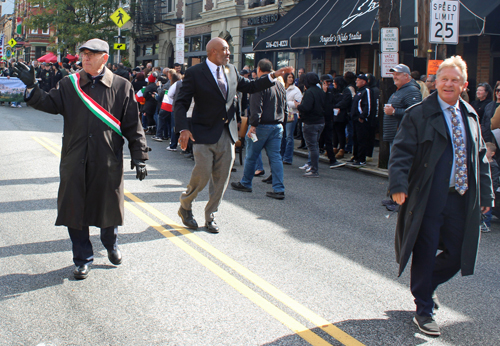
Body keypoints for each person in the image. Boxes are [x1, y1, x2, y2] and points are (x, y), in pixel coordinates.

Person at [13, 38, 149, 280]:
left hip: (107, 159)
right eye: (83, 53)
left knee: (108, 206)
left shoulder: (121, 85)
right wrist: (33, 87)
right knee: (74, 209)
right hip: (75, 158)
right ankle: (82, 258)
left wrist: (140, 157)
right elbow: (49, 103)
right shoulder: (69, 84)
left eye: (91, 54)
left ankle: (110, 242)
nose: (84, 58)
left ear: (104, 58)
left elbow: (133, 125)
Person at [388, 55, 494, 336]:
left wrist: (486, 194)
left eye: (454, 80)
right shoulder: (418, 113)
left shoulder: (470, 114)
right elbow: (401, 152)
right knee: (425, 248)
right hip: (429, 195)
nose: (448, 84)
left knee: (460, 252)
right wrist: (398, 185)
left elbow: (480, 158)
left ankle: (426, 285)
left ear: (464, 84)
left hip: (461, 198)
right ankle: (423, 309)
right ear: (435, 83)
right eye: (443, 79)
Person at [174, 37, 292, 233]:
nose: (229, 53)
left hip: (227, 134)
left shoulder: (231, 70)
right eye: (225, 49)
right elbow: (181, 103)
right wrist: (183, 128)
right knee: (202, 175)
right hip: (202, 133)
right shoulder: (195, 73)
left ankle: (210, 215)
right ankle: (185, 205)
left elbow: (252, 86)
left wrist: (273, 76)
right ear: (213, 51)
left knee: (221, 178)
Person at [231, 59, 287, 200]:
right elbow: (283, 106)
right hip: (277, 125)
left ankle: (246, 183)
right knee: (275, 157)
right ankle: (279, 188)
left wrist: (253, 125)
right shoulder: (280, 84)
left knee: (251, 155)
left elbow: (256, 107)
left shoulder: (259, 85)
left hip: (261, 125)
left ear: (259, 69)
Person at [383, 64, 422, 153]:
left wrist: (394, 111)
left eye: (397, 74)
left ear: (406, 76)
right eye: (393, 74)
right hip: (396, 136)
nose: (394, 77)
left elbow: (416, 113)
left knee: (398, 164)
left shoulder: (412, 90)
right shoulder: (400, 90)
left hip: (402, 137)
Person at [296, 72, 326, 177]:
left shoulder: (309, 92)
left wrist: (298, 106)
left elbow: (306, 107)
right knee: (315, 145)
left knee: (312, 147)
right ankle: (313, 167)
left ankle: (314, 169)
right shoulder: (321, 91)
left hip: (310, 122)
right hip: (321, 121)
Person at [348, 74, 372, 166]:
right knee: (355, 138)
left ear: (364, 81)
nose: (356, 82)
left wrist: (363, 116)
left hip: (361, 120)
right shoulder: (359, 91)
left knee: (361, 139)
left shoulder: (366, 90)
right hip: (354, 118)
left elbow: (368, 105)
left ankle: (361, 159)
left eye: (358, 80)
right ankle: (355, 156)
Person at [282, 72, 302, 165]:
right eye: (289, 77)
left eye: (292, 77)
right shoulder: (282, 87)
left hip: (291, 114)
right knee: (282, 136)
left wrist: (286, 103)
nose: (290, 79)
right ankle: (281, 156)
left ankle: (288, 158)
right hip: (282, 114)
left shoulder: (296, 90)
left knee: (289, 136)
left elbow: (298, 103)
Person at [332, 76, 352, 159]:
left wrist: (337, 106)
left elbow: (345, 101)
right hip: (334, 113)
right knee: (334, 131)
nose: (333, 84)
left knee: (340, 132)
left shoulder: (346, 91)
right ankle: (335, 147)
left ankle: (342, 148)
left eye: (334, 82)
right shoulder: (334, 91)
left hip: (342, 114)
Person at [481, 142, 499, 233]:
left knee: (487, 209)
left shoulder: (493, 165)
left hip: (490, 189)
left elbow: (494, 179)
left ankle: (486, 224)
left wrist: (492, 190)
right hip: (482, 189)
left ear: (492, 153)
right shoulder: (482, 163)